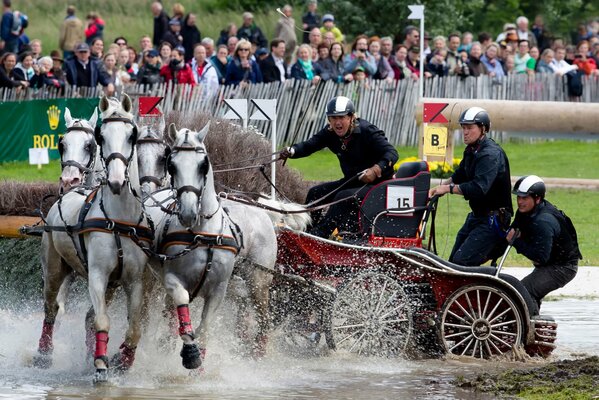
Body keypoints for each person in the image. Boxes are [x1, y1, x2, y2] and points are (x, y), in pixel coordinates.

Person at [279, 96, 399, 238]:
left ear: (351, 117)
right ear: (329, 120)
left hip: (378, 185)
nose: (337, 122)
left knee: (343, 196)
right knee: (315, 193)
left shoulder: (368, 131)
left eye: (341, 117)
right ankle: (307, 233)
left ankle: (320, 236)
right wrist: (292, 151)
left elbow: (392, 153)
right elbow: (310, 145)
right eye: (333, 118)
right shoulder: (330, 133)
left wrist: (375, 170)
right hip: (352, 182)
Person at [429, 107, 513, 266]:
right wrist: (437, 188)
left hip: (494, 219)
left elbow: (479, 188)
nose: (465, 132)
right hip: (478, 216)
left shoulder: (490, 154)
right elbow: (460, 174)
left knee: (463, 262)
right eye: (463, 128)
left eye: (470, 128)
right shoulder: (472, 150)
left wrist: (448, 189)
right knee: (453, 262)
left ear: (483, 129)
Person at [507, 175, 582, 309]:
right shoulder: (525, 211)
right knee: (523, 291)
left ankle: (531, 326)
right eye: (518, 197)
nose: (519, 202)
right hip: (551, 262)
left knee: (523, 292)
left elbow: (540, 257)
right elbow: (514, 230)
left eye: (524, 198)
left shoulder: (543, 222)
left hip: (563, 267)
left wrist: (515, 241)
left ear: (537, 198)